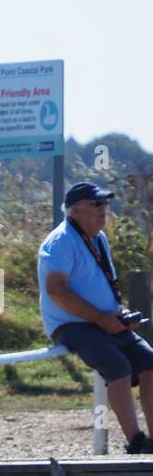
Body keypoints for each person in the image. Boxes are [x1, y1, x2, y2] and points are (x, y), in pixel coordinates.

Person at [39, 181, 153, 454]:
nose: (104, 209)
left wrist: (119, 313)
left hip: (103, 320)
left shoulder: (98, 238)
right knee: (117, 366)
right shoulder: (61, 241)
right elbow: (56, 290)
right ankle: (136, 442)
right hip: (73, 324)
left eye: (104, 204)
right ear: (76, 211)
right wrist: (101, 318)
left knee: (149, 363)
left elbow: (102, 283)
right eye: (97, 204)